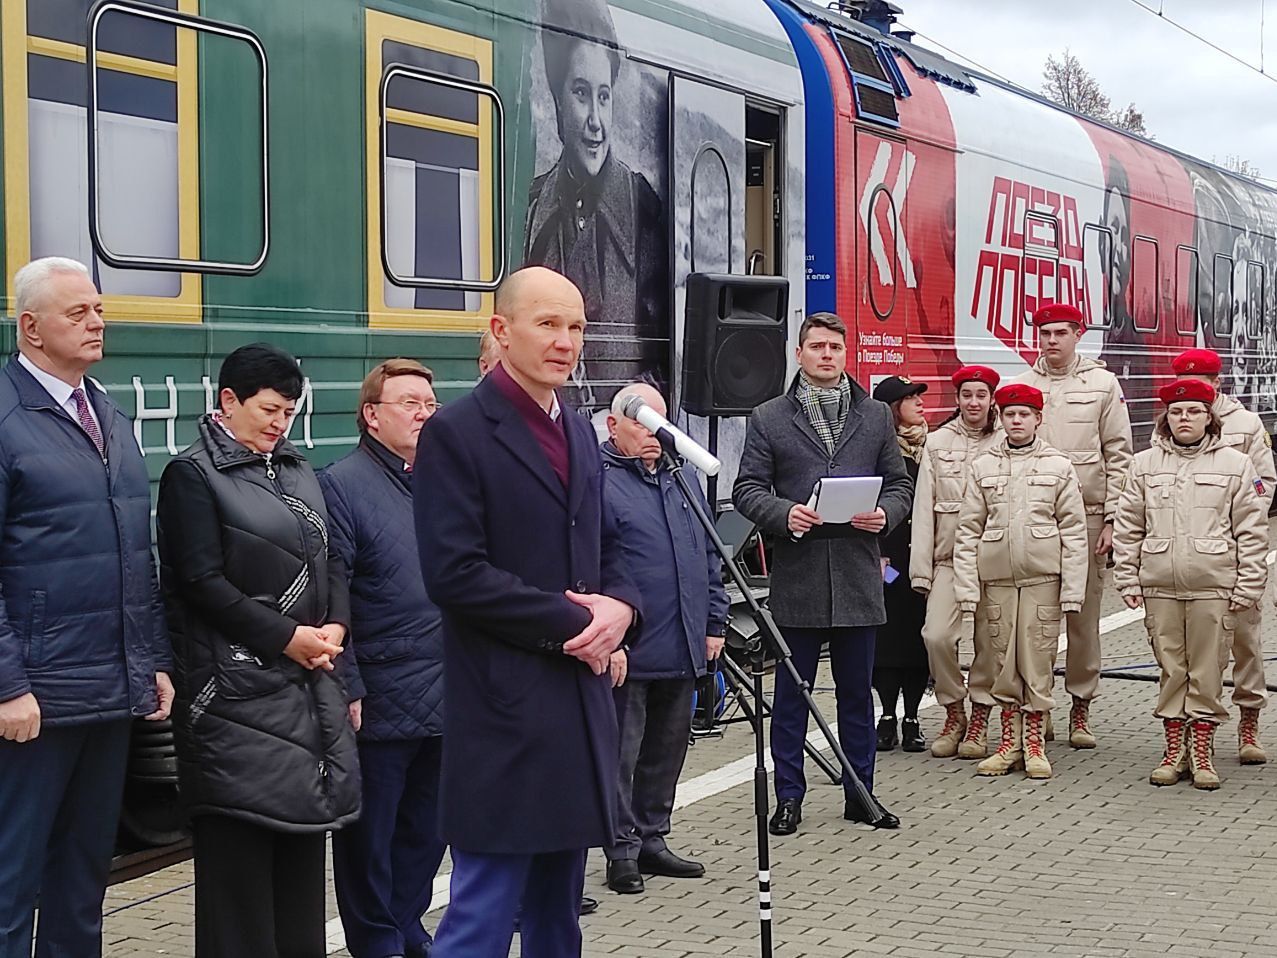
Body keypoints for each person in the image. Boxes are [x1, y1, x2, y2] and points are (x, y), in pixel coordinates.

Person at [415, 267, 641, 957]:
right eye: (547, 324)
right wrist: (580, 623)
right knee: (481, 916)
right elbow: (454, 575)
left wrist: (624, 609)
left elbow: (609, 540)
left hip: (575, 708)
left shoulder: (576, 429)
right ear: (499, 330)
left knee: (556, 918)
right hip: (503, 714)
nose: (565, 341)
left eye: (575, 327)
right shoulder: (456, 433)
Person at [156, 344, 360, 958]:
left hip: (303, 689)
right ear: (227, 402)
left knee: (300, 860)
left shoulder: (296, 469)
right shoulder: (192, 476)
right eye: (270, 409)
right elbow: (199, 583)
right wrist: (286, 638)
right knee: (239, 884)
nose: (280, 423)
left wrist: (336, 627)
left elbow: (330, 559)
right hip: (231, 698)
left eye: (290, 413)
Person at [0, 257, 172, 958]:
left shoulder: (106, 412)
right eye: (79, 313)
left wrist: (153, 659)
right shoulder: (9, 417)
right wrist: (8, 683)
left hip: (109, 687)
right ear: (30, 327)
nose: (98, 322)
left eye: (99, 309)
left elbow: (137, 552)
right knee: (11, 879)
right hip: (35, 697)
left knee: (82, 879)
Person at [733, 311, 912, 835]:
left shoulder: (876, 415)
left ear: (844, 352)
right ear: (800, 354)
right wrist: (783, 513)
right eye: (816, 347)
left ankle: (861, 793)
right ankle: (789, 797)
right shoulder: (768, 416)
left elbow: (900, 484)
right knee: (793, 696)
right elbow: (747, 489)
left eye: (835, 347)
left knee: (858, 692)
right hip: (800, 572)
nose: (826, 355)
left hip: (857, 573)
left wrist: (888, 515)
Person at [320, 359, 446, 958]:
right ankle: (376, 942)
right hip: (382, 692)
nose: (425, 413)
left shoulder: (441, 480)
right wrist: (347, 681)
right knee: (370, 835)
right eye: (410, 403)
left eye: (430, 403)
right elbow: (331, 592)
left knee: (428, 827)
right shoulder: (341, 485)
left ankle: (408, 926)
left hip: (447, 686)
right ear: (372, 415)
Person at [599, 383, 729, 895]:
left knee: (668, 748)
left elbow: (710, 555)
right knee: (622, 754)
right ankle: (621, 850)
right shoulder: (598, 482)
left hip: (684, 640)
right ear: (614, 426)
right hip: (630, 648)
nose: (654, 432)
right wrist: (610, 641)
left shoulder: (683, 478)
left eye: (661, 421)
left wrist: (715, 623)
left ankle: (653, 837)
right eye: (641, 421)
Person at [1113, 379, 1269, 790]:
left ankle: (1202, 752)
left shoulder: (1235, 465)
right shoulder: (1143, 464)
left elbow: (1252, 533)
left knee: (1207, 670)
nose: (1185, 418)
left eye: (1194, 411)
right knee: (1171, 668)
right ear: (1166, 418)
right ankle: (1173, 751)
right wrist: (1127, 576)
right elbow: (1128, 526)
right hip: (1160, 585)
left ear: (1208, 417)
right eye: (1177, 412)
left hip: (1214, 586)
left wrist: (1248, 586)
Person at [525, 0, 667, 416]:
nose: (595, 121)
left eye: (603, 97)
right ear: (556, 101)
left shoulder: (645, 211)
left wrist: (626, 413)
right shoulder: (534, 210)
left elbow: (666, 352)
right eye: (581, 94)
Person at [1012, 301, 1133, 749]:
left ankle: (1081, 708)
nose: (1051, 341)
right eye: (1044, 333)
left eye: (1060, 332)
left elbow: (1119, 455)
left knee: (1082, 619)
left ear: (1078, 334)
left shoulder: (1103, 385)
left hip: (1087, 516)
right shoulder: (1022, 385)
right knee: (1037, 620)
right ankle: (1036, 707)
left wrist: (1115, 520)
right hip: (1034, 519)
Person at [953, 384, 1088, 780]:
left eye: (1024, 415)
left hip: (1043, 580)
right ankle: (1009, 744)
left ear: (1037, 419)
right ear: (1002, 418)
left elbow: (1075, 533)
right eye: (1010, 414)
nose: (1016, 421)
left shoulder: (1058, 466)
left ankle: (1034, 745)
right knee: (1001, 664)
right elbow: (968, 532)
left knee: (1037, 661)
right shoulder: (982, 467)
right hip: (996, 582)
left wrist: (1073, 591)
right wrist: (966, 589)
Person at [1171, 348, 1276, 764]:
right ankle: (1195, 731)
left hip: (1234, 547)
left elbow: (1264, 480)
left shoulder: (1246, 424)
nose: (1203, 388)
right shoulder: (1177, 420)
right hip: (1192, 552)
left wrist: (1236, 517)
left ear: (1219, 382)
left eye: (1209, 381)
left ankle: (1248, 721)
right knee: (1193, 649)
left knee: (1246, 640)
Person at [910, 365, 1003, 759]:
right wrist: (920, 570)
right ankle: (953, 710)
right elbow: (924, 507)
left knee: (989, 644)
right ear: (958, 399)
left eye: (981, 395)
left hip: (995, 562)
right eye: (967, 395)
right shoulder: (937, 443)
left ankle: (980, 716)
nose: (974, 402)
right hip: (948, 560)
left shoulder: (1006, 440)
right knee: (937, 636)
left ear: (991, 399)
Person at [871, 376, 931, 753]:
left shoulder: (931, 447)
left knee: (920, 639)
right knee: (888, 640)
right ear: (894, 408)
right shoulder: (878, 449)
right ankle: (887, 714)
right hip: (888, 561)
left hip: (923, 559)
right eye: (910, 399)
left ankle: (913, 716)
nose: (920, 404)